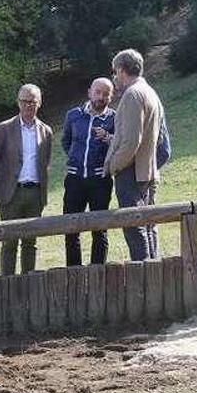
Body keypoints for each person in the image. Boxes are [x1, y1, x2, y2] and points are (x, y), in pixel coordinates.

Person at [104, 48, 165, 261]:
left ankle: (145, 278)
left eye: (114, 72)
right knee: (147, 225)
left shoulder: (132, 94)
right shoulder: (149, 91)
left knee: (134, 226)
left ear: (121, 70)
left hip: (131, 172)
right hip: (146, 170)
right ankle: (154, 275)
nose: (114, 77)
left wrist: (113, 166)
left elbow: (131, 142)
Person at [0, 84, 53, 275]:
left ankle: (28, 283)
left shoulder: (46, 131)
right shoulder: (4, 129)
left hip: (35, 194)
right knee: (9, 243)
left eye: (32, 101)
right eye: (24, 101)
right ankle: (7, 286)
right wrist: (3, 183)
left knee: (30, 243)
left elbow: (46, 162)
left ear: (39, 103)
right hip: (11, 194)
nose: (28, 105)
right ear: (18, 102)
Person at [61, 78, 116, 266]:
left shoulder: (114, 118)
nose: (101, 97)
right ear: (89, 92)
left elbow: (121, 144)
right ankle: (73, 273)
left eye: (105, 94)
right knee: (71, 228)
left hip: (100, 180)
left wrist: (108, 137)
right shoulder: (73, 115)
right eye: (97, 92)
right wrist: (76, 160)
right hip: (75, 179)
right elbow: (66, 141)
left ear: (111, 96)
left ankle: (97, 273)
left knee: (99, 229)